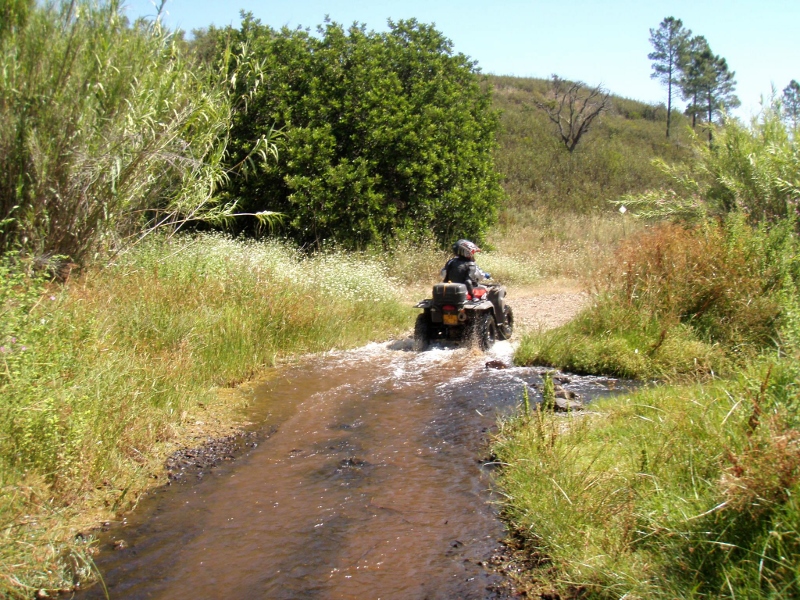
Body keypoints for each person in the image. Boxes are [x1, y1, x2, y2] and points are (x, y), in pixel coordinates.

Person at [441, 239, 511, 336]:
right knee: (490, 291)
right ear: (467, 251)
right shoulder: (471, 264)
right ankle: (498, 323)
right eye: (472, 252)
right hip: (468, 292)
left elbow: (443, 274)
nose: (473, 255)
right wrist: (486, 275)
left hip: (449, 292)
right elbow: (479, 275)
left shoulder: (450, 262)